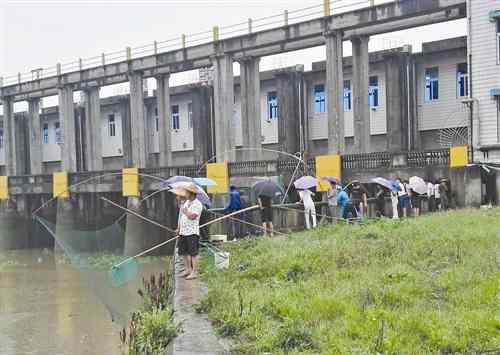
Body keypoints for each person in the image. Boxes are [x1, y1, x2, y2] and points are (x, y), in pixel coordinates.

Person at [176, 183, 203, 280]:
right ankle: (188, 269)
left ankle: (195, 272)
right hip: (183, 232)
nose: (185, 193)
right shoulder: (187, 202)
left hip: (192, 232)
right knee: (183, 251)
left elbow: (193, 216)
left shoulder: (197, 204)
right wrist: (179, 228)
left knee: (193, 253)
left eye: (187, 192)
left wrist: (186, 212)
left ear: (191, 193)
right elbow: (182, 216)